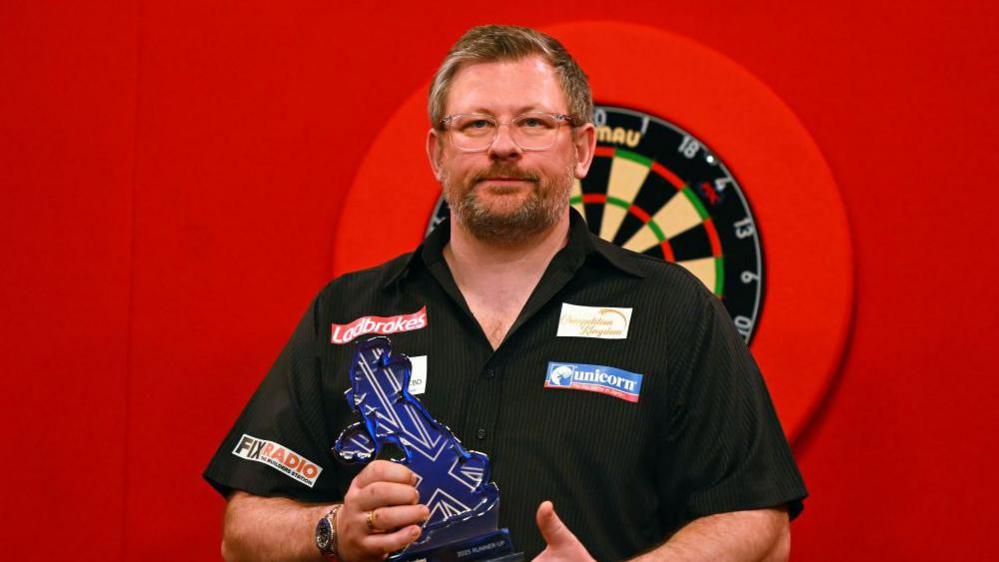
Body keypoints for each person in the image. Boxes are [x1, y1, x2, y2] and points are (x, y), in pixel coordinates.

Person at [204, 24, 807, 562]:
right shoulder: (347, 312)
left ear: (584, 149)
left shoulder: (673, 310)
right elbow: (244, 530)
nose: (503, 146)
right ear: (438, 153)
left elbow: (759, 524)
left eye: (534, 122)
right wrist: (335, 528)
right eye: (476, 124)